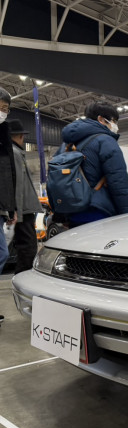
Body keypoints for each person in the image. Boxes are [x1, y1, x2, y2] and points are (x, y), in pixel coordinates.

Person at [55, 101, 128, 227]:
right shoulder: (106, 141)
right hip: (99, 212)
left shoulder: (66, 145)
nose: (115, 126)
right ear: (101, 119)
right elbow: (118, 184)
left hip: (72, 213)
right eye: (113, 121)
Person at [8, 120, 42, 275]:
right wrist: (18, 213)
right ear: (21, 136)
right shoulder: (15, 153)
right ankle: (23, 279)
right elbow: (18, 186)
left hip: (21, 210)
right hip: (23, 211)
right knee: (28, 249)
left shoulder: (13, 152)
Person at [0, 87, 17, 325]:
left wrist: (10, 208)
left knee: (3, 253)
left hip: (1, 206)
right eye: (1, 107)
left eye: (6, 109)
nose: (3, 112)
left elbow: (7, 174)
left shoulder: (4, 132)